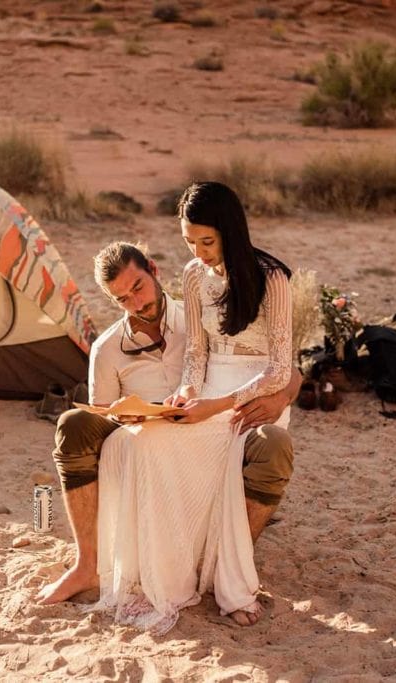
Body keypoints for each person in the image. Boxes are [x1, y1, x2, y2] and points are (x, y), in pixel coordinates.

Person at [36, 240, 299, 609]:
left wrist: (283, 394)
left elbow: (280, 365)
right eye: (122, 299)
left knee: (273, 444)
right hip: (143, 436)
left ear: (155, 271)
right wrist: (125, 417)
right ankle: (87, 565)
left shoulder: (201, 318)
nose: (136, 303)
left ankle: (226, 566)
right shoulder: (107, 349)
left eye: (138, 287)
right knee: (73, 424)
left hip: (214, 430)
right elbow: (102, 417)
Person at [92, 181, 293, 632]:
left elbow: (281, 370)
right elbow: (198, 354)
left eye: (207, 240)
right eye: (189, 241)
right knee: (149, 442)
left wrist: (218, 405)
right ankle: (163, 574)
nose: (199, 252)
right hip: (208, 391)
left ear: (229, 231)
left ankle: (232, 586)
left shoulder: (272, 277)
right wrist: (186, 393)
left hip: (254, 394)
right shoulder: (192, 275)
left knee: (221, 447)